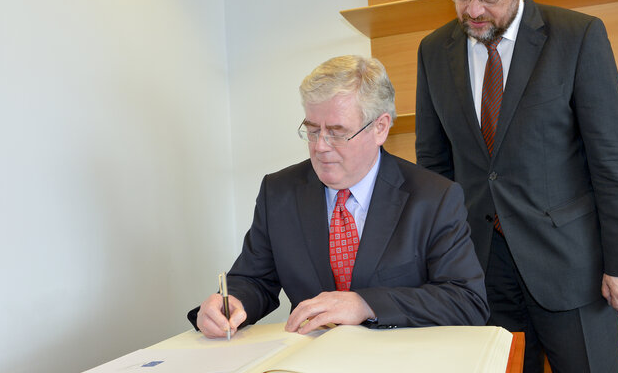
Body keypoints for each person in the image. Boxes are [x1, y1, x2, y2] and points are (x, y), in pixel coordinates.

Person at [415, 0, 618, 373]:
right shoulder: (433, 51)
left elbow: (613, 156)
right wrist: (437, 264)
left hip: (574, 268)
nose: (473, 10)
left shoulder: (577, 36)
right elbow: (433, 165)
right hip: (480, 269)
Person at [189, 55, 489, 338]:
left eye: (337, 132)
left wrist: (366, 304)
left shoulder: (433, 197)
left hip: (398, 369)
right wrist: (229, 303)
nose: (320, 146)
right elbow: (254, 280)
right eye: (312, 131)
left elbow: (465, 300)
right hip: (311, 366)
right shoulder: (279, 192)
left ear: (380, 128)